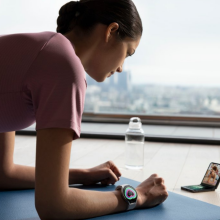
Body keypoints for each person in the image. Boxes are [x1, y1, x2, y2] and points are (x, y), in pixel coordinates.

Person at [0, 0, 168, 219]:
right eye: (128, 53)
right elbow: (53, 205)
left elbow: (4, 174)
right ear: (111, 31)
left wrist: (83, 175)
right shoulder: (63, 67)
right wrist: (136, 196)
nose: (120, 68)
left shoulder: (37, 50)